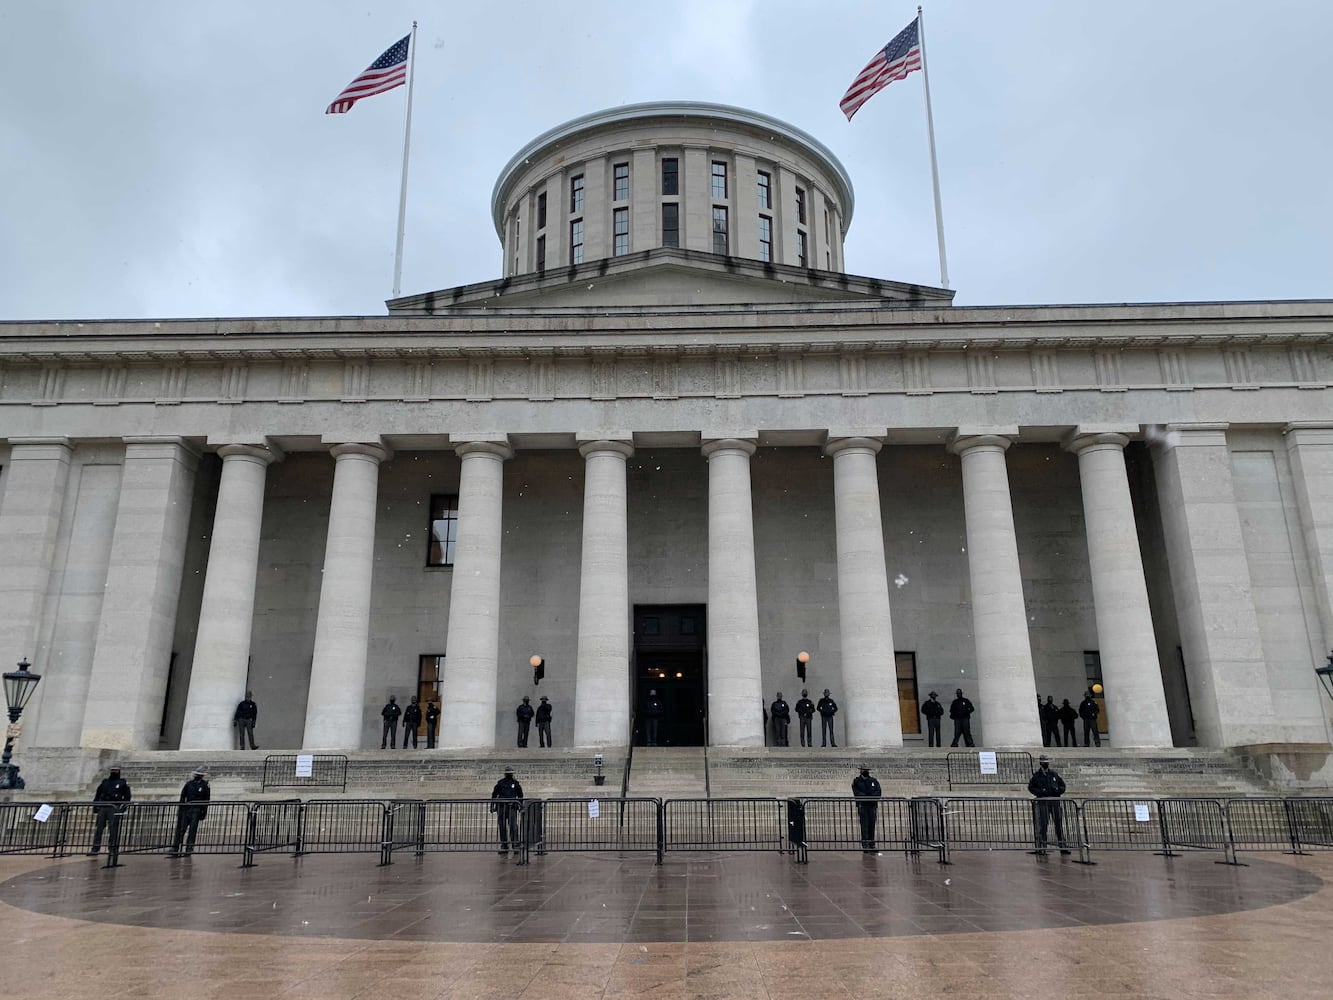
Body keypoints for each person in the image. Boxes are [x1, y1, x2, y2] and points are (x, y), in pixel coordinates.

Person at [1027, 754, 1070, 854]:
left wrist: (1058, 791)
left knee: (1058, 825)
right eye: (1044, 762)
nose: (1046, 764)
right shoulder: (1037, 776)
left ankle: (1062, 846)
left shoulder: (1054, 774)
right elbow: (1031, 787)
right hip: (1043, 802)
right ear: (1041, 763)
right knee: (1043, 825)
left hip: (1054, 801)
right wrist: (1041, 792)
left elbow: (1062, 785)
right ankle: (1042, 847)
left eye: (1047, 762)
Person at [88, 764, 131, 856]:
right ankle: (95, 848)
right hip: (103, 806)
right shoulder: (105, 782)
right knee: (99, 828)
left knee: (113, 829)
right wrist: (96, 806)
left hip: (114, 807)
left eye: (116, 770)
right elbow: (98, 794)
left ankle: (112, 848)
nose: (114, 772)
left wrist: (122, 807)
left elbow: (127, 796)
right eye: (113, 770)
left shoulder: (122, 783)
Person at [168, 767, 211, 858]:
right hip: (186, 809)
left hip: (196, 810)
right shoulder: (189, 784)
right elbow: (183, 796)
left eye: (199, 775)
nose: (197, 776)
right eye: (197, 775)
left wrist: (204, 812)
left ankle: (189, 848)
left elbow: (206, 799)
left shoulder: (205, 785)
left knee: (192, 830)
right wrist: (180, 809)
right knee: (181, 829)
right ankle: (176, 848)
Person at [490, 765, 524, 856]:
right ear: (505, 774)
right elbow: (494, 795)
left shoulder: (516, 783)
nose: (509, 775)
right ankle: (504, 845)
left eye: (510, 774)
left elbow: (520, 795)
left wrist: (521, 806)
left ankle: (515, 844)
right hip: (501, 807)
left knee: (513, 827)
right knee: (502, 827)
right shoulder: (500, 783)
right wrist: (492, 805)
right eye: (508, 773)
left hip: (512, 807)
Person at [851, 764, 882, 853]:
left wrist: (871, 798)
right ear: (860, 771)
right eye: (864, 770)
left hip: (872, 806)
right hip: (863, 805)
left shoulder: (873, 780)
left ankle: (872, 844)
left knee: (872, 825)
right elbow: (856, 792)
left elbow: (878, 791)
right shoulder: (856, 781)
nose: (866, 771)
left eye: (867, 770)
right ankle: (865, 845)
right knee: (864, 825)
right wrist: (866, 798)